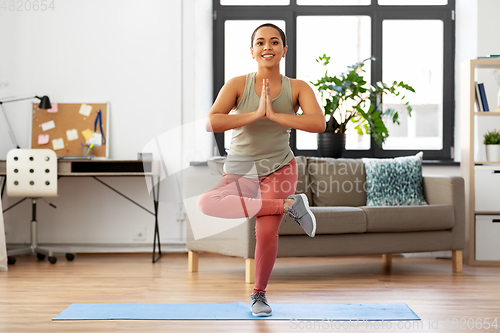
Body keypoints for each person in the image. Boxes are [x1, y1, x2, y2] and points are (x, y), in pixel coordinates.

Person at [197, 23, 325, 317]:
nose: (268, 47)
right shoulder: (237, 85)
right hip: (241, 169)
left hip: (279, 168)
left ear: (284, 50)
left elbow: (318, 124)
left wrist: (275, 115)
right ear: (252, 50)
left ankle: (258, 294)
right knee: (206, 203)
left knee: (266, 232)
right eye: (261, 42)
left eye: (275, 42)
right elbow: (211, 122)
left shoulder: (299, 88)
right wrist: (254, 114)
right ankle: (290, 205)